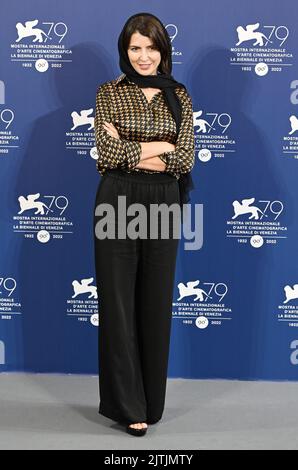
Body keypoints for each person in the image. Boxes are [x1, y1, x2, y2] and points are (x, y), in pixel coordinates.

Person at [93, 12, 195, 436]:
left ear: (163, 51)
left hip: (163, 201)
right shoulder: (108, 93)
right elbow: (105, 152)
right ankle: (127, 404)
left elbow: (184, 158)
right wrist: (159, 147)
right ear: (125, 50)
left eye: (151, 48)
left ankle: (150, 401)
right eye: (135, 48)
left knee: (154, 302)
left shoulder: (180, 96)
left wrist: (132, 147)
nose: (143, 56)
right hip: (116, 196)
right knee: (117, 304)